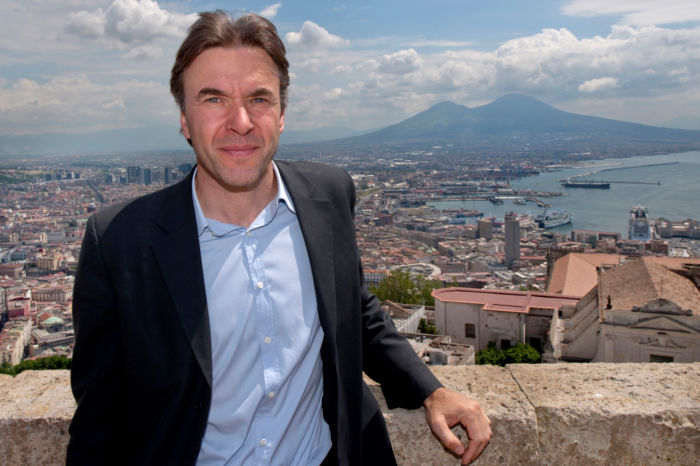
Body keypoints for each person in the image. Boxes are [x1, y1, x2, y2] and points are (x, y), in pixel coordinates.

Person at [67, 10, 491, 466]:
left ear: (282, 114)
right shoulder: (121, 241)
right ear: (185, 120)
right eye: (213, 99)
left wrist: (430, 389)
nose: (240, 121)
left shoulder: (329, 195)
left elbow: (354, 310)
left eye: (259, 98)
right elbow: (99, 418)